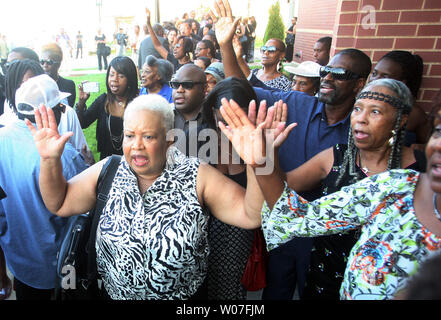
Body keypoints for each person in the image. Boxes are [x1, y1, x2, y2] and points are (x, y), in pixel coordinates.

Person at [26, 93, 264, 300]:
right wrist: (49, 160)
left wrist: (257, 163)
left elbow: (252, 214)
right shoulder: (108, 170)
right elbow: (59, 203)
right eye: (129, 136)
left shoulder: (197, 176)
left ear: (169, 139)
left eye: (148, 137)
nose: (136, 146)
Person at [210, 0, 371, 300]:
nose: (327, 77)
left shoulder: (362, 130)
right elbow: (241, 87)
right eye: (326, 70)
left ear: (360, 83)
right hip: (282, 228)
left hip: (326, 239)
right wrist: (226, 46)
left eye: (339, 74)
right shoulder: (294, 103)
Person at [218, 91, 441, 300]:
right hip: (325, 276)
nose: (361, 119)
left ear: (401, 120)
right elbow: (295, 216)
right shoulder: (395, 186)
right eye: (439, 131)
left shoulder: (414, 166)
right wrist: (261, 161)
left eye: (375, 111)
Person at [0, 74, 88, 300]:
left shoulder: (2, 138)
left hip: (19, 262)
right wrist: (87, 166)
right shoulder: (64, 157)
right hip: (59, 269)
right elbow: (84, 214)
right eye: (61, 106)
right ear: (51, 112)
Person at [200, 77, 256, 299]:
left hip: (239, 236)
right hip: (200, 233)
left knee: (229, 293)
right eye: (225, 118)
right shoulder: (196, 140)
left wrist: (257, 156)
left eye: (238, 119)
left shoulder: (258, 144)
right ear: (213, 111)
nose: (231, 126)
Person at [76, 56, 139, 160]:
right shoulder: (103, 100)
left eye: (121, 76)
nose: (114, 79)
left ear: (130, 79)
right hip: (106, 160)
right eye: (111, 74)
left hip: (132, 160)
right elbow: (83, 123)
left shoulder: (138, 103)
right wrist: (81, 102)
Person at [369, 50, 429, 147]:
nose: (375, 80)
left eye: (384, 76)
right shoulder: (363, 104)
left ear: (402, 82)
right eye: (374, 73)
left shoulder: (414, 113)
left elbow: (428, 146)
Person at [145, 8, 193, 72]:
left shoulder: (192, 67)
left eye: (178, 46)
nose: (175, 49)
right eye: (175, 46)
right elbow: (158, 46)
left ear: (187, 48)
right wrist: (148, 24)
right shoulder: (172, 60)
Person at [170, 64, 207, 133]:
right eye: (175, 84)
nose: (179, 90)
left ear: (204, 88)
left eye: (187, 85)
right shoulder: (164, 115)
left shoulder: (215, 117)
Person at [40, 43, 76, 107]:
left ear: (58, 64)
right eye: (42, 62)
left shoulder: (68, 85)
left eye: (49, 62)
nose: (45, 65)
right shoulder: (36, 85)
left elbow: (66, 108)